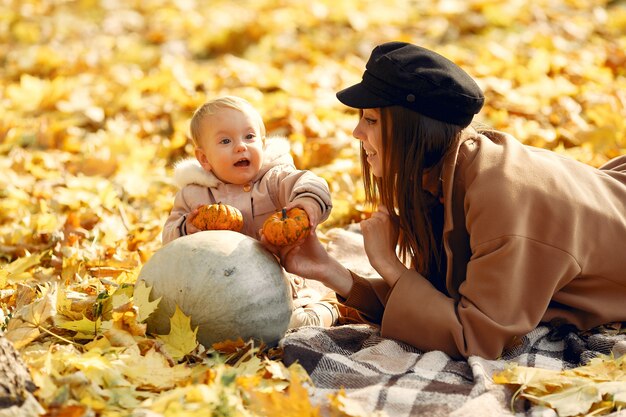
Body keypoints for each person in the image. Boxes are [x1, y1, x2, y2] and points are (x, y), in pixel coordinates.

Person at [265, 41, 626, 360]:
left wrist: (389, 265)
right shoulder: (441, 177)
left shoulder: (501, 196)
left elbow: (478, 336)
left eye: (371, 120)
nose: (357, 132)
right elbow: (435, 299)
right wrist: (331, 272)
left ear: (414, 129)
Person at [162, 95, 338, 328]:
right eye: (225, 141)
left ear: (263, 146)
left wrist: (308, 202)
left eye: (249, 137)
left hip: (284, 279)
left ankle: (325, 308)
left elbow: (308, 181)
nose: (240, 146)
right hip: (226, 286)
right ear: (204, 159)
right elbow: (168, 237)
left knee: (299, 319)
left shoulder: (274, 180)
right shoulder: (193, 196)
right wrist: (186, 228)